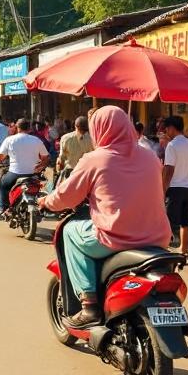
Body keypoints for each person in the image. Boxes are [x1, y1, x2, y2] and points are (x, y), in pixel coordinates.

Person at [40, 106, 172, 327]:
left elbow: (66, 197)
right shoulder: (150, 156)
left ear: (98, 129)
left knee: (71, 231)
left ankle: (89, 304)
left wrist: (46, 201)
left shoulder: (95, 159)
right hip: (157, 238)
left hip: (115, 237)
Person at [0, 118, 48, 215]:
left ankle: (3, 207)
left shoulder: (9, 140)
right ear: (29, 128)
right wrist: (41, 166)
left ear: (17, 127)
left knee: (3, 185)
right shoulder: (36, 140)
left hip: (15, 174)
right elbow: (45, 157)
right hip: (32, 174)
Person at [161, 116, 188, 259]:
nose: (166, 131)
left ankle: (164, 249)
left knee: (168, 221)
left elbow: (169, 169)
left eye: (166, 128)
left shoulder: (172, 145)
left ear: (171, 128)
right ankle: (184, 249)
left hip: (175, 187)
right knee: (185, 220)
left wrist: (163, 188)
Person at [54, 116, 92, 186]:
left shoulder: (65, 138)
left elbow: (61, 158)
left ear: (75, 125)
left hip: (69, 173)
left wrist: (58, 170)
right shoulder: (92, 140)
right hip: (85, 173)